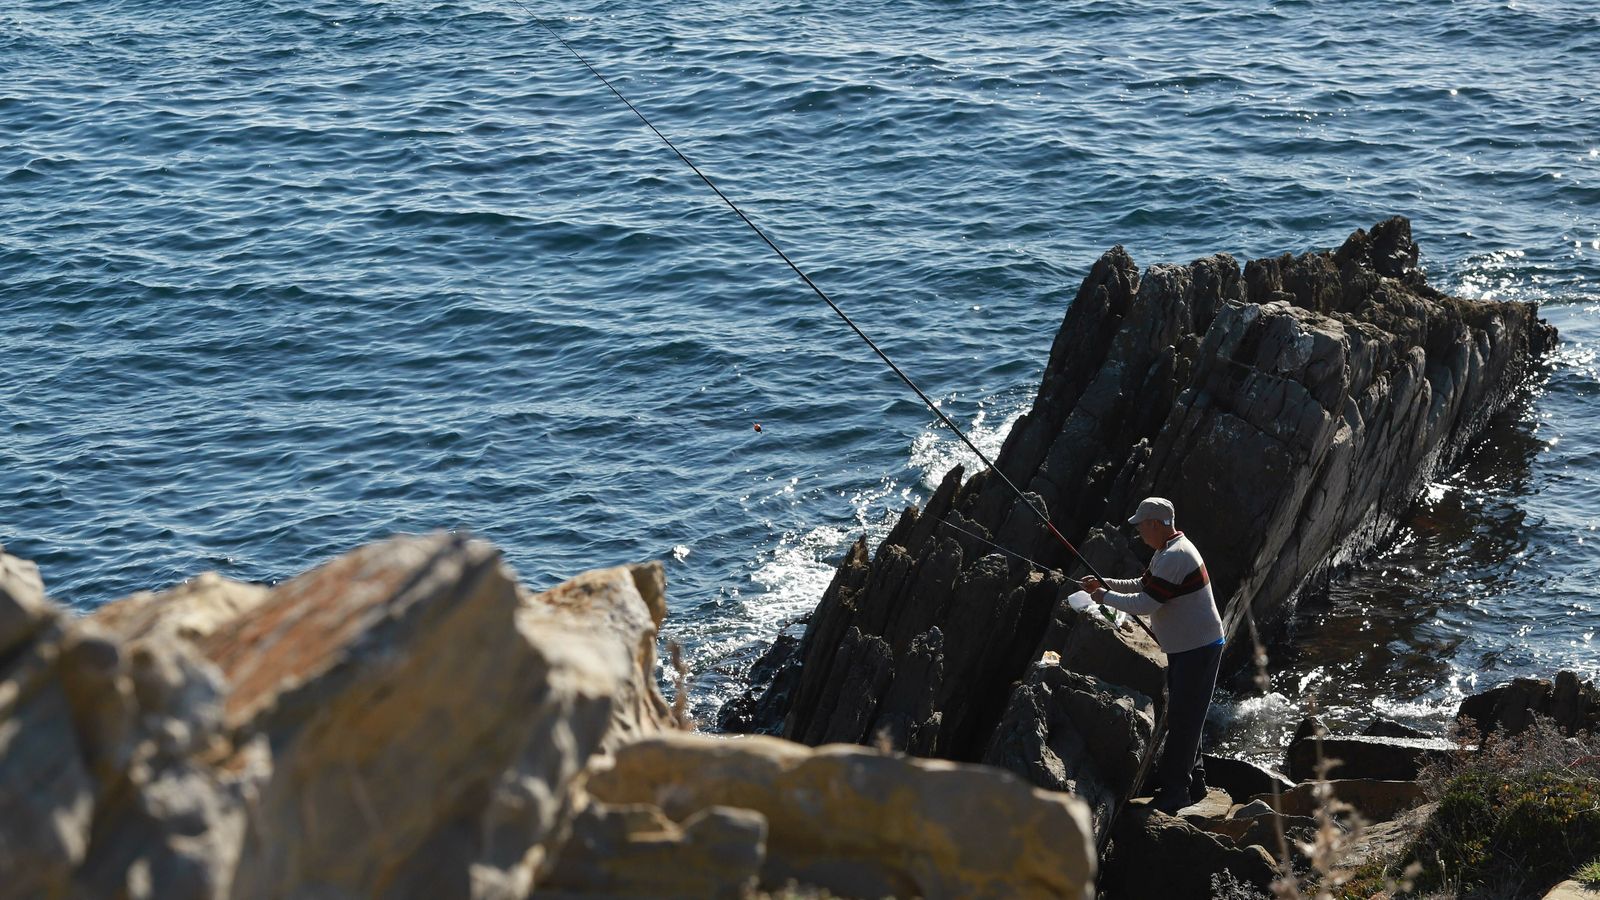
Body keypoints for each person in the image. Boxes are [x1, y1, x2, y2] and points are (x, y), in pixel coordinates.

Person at [1081, 496, 1225, 815]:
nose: (1139, 532)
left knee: (1184, 720)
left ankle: (1176, 792)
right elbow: (1141, 584)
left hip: (1198, 648)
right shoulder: (1166, 550)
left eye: (1141, 526)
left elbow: (1146, 604)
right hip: (1188, 646)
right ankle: (1195, 782)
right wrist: (1103, 584)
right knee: (1187, 715)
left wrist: (1104, 597)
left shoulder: (1175, 555)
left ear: (1156, 524)